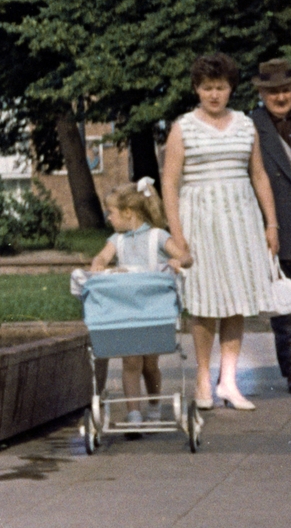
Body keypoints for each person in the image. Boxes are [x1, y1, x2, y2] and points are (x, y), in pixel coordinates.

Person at [161, 52, 281, 411]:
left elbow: (258, 174)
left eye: (221, 87)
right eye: (207, 88)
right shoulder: (183, 127)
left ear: (231, 89)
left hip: (240, 217)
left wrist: (270, 223)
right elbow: (170, 181)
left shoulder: (245, 124)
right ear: (197, 89)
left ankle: (228, 380)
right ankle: (202, 376)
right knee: (205, 301)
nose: (214, 94)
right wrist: (177, 234)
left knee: (236, 301)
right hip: (200, 219)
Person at [88, 180, 192, 422]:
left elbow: (185, 256)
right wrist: (98, 264)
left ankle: (154, 404)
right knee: (131, 361)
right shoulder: (117, 240)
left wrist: (179, 262)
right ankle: (134, 412)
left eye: (111, 213)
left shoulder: (158, 236)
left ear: (128, 212)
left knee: (149, 365)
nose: (108, 218)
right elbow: (102, 257)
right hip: (126, 311)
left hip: (153, 310)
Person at [247, 57, 291, 395]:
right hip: (278, 219)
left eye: (286, 89)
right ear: (262, 94)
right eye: (273, 91)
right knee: (283, 292)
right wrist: (265, 224)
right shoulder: (252, 125)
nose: (281, 97)